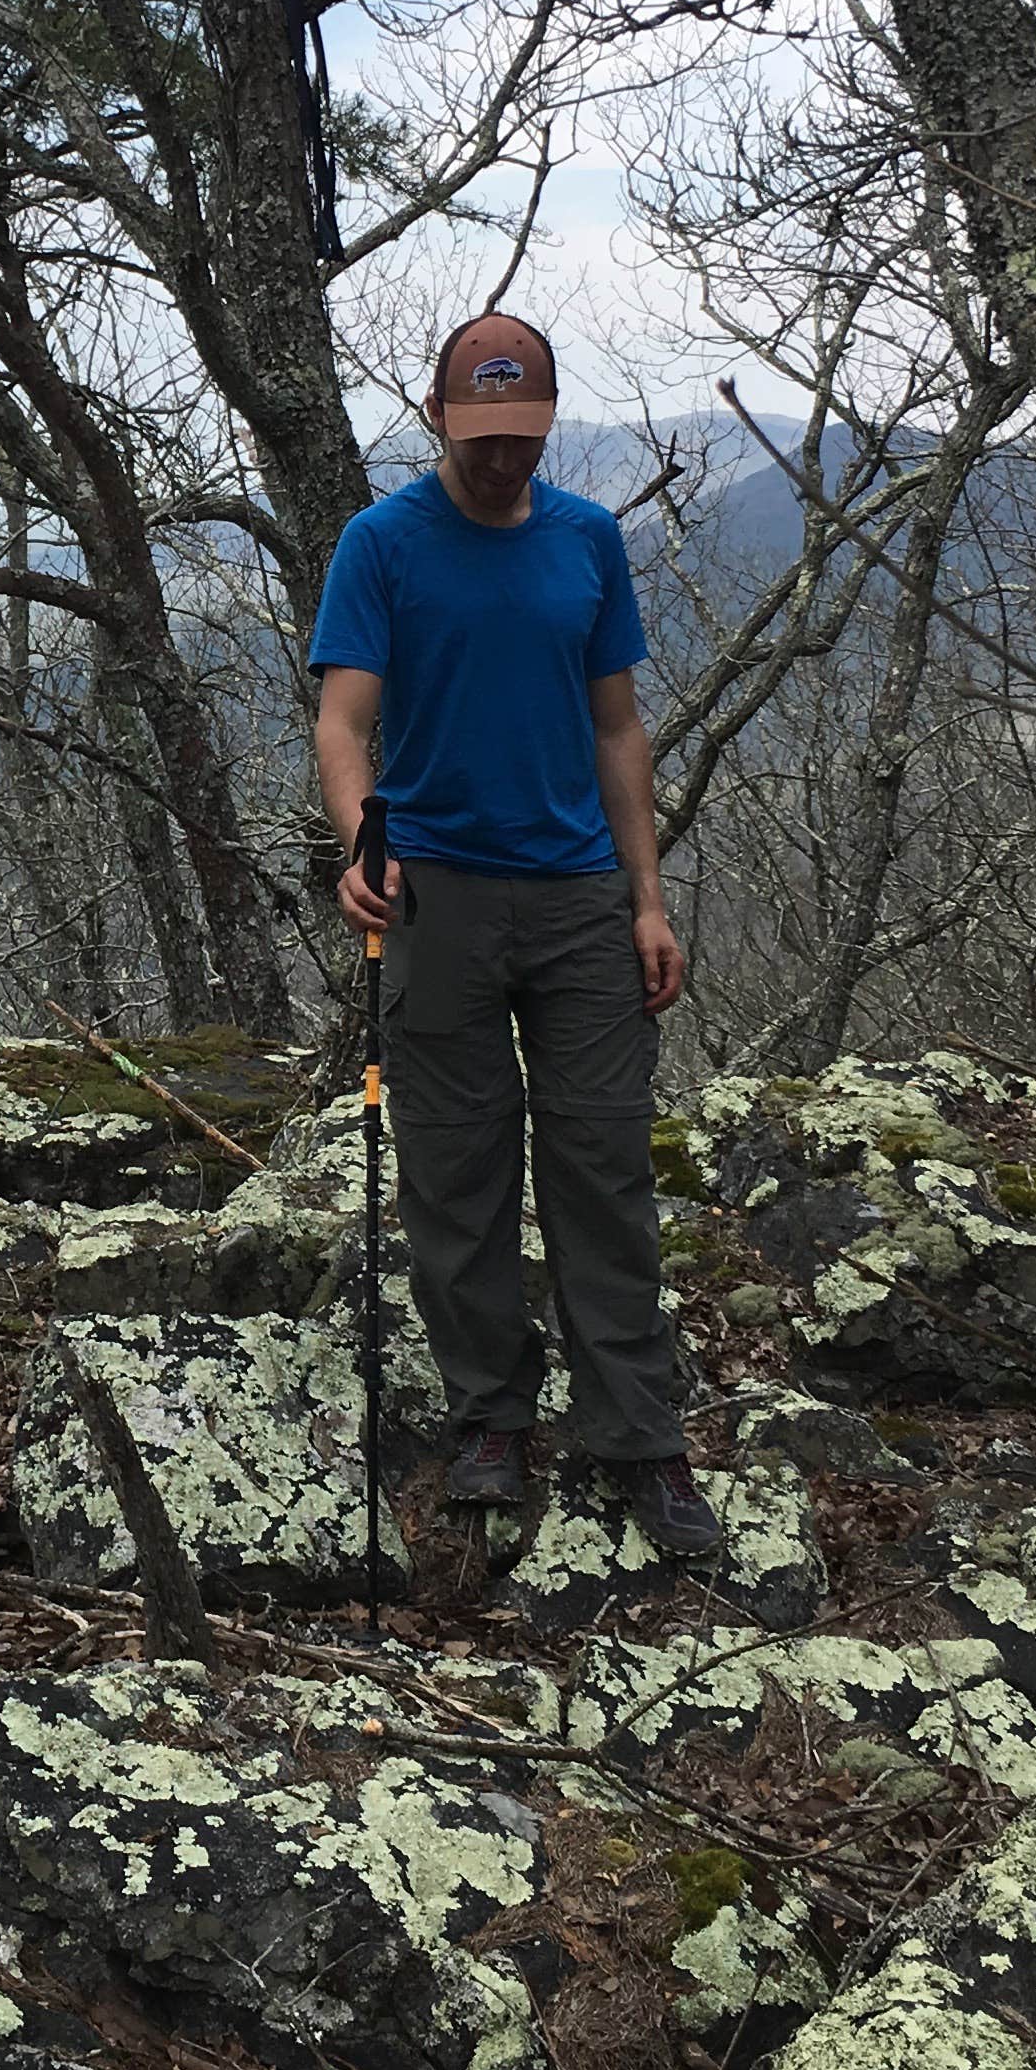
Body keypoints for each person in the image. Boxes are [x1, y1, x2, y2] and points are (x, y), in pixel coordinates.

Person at [308, 313, 719, 1553]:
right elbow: (342, 722)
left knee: (601, 1165)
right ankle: (491, 1417)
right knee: (455, 1166)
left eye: (523, 435)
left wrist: (648, 899)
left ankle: (638, 1434)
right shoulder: (382, 544)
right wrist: (358, 838)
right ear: (440, 416)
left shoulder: (588, 542)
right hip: (436, 894)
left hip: (580, 896)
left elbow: (618, 730)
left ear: (544, 423)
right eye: (483, 435)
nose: (503, 459)